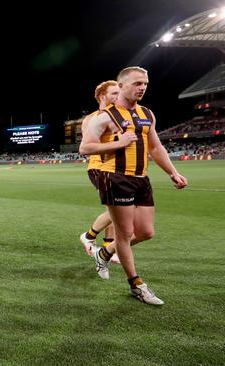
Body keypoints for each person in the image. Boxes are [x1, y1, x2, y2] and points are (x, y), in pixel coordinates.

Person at [79, 66, 188, 306]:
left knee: (147, 232)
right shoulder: (106, 116)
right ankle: (136, 285)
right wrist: (118, 143)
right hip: (114, 177)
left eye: (145, 84)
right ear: (122, 86)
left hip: (141, 178)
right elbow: (85, 148)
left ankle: (104, 253)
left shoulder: (147, 114)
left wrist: (173, 172)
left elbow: (156, 147)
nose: (142, 88)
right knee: (125, 234)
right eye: (137, 83)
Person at [79, 80, 120, 264]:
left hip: (112, 167)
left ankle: (107, 248)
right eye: (114, 94)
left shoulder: (115, 115)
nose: (118, 97)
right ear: (103, 96)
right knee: (118, 209)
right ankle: (89, 236)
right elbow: (89, 145)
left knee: (113, 208)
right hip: (99, 167)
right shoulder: (93, 118)